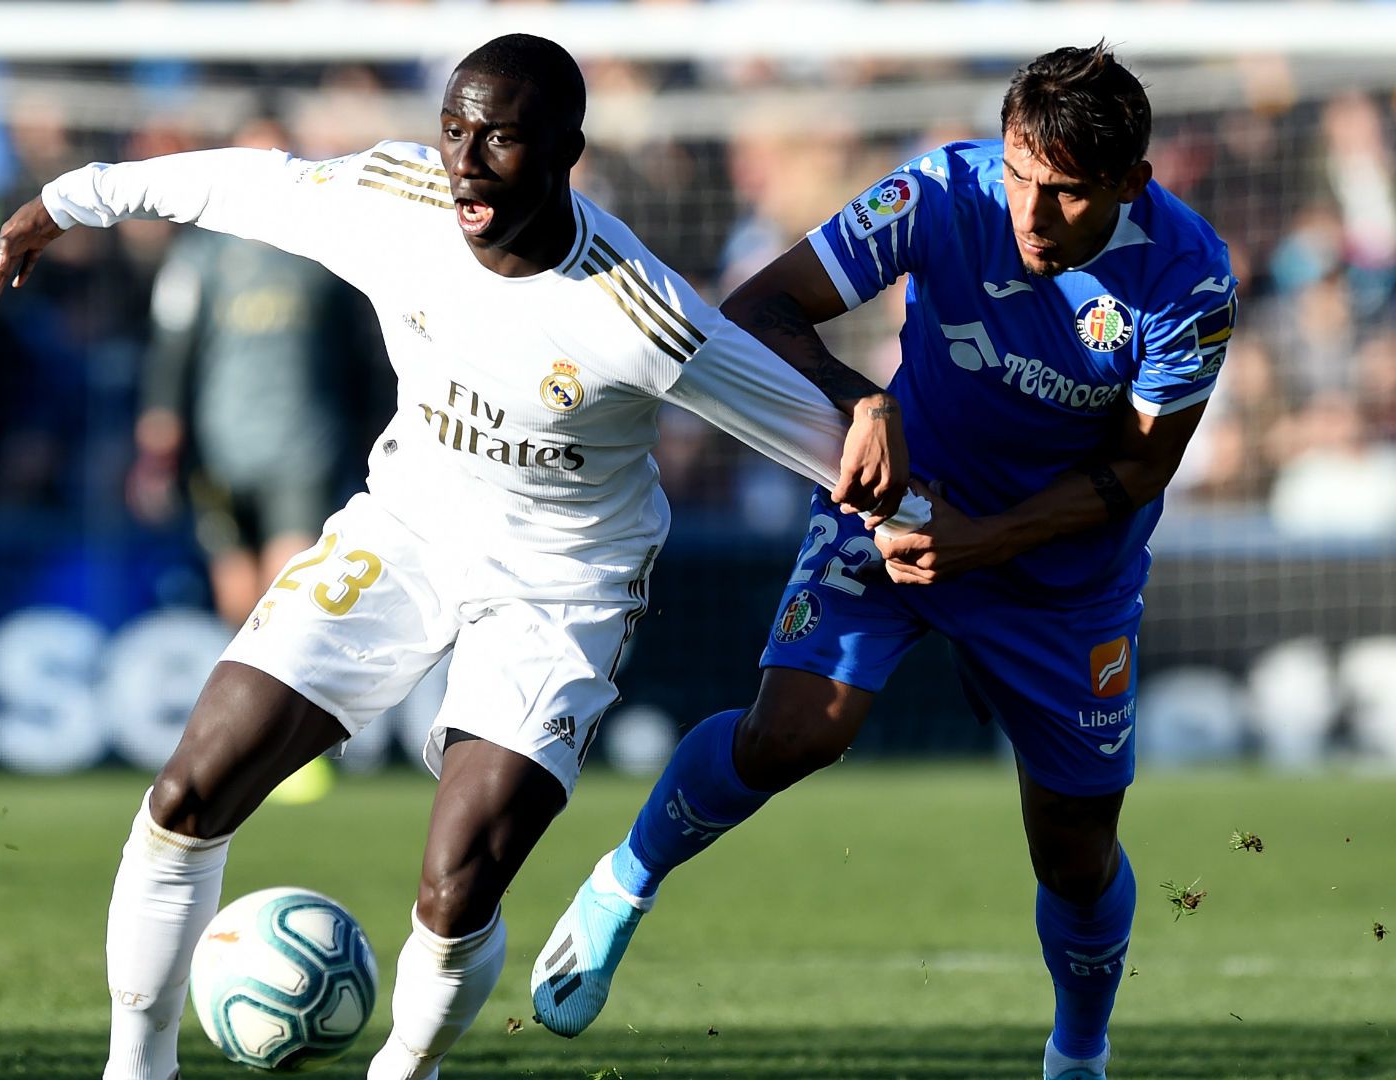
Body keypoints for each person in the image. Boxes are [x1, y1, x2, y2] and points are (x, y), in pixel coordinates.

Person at [0, 34, 922, 1080]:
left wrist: (898, 467)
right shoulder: (395, 199)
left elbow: (820, 437)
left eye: (502, 140)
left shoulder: (638, 313)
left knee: (456, 881)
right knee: (187, 796)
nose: (466, 163)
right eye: (455, 133)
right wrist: (72, 199)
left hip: (560, 587)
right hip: (408, 530)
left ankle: (407, 1068)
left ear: (565, 148)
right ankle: (134, 1069)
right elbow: (238, 185)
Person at [529, 43, 1237, 1080]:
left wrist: (980, 543)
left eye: (1067, 195)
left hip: (1063, 575)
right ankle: (620, 886)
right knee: (791, 733)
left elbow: (1138, 470)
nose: (1031, 214)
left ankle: (1078, 1054)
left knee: (1075, 855)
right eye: (1021, 176)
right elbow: (761, 309)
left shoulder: (1189, 279)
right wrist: (864, 399)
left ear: (1131, 184)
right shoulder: (942, 193)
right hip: (899, 506)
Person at [130, 116, 385, 629]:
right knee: (237, 600)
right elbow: (172, 355)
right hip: (219, 454)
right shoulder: (199, 257)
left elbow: (364, 354)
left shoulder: (327, 253)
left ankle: (282, 707)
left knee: (287, 594)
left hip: (303, 450)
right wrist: (158, 445)